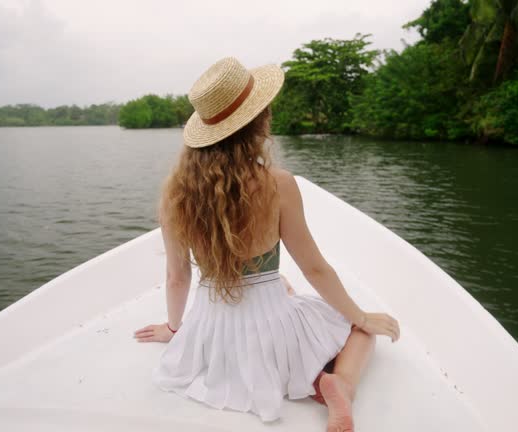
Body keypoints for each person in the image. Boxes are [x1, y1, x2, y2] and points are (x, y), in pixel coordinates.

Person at [133, 57, 400, 432]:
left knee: (280, 288)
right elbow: (315, 268)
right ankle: (339, 384)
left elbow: (177, 277)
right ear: (258, 122)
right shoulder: (279, 184)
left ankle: (309, 375)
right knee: (359, 330)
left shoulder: (174, 196)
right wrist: (361, 316)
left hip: (213, 334)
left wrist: (176, 330)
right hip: (271, 321)